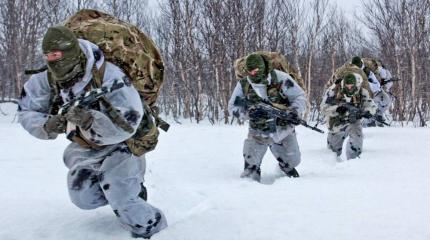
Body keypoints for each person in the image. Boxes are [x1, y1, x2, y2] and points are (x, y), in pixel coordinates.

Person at [18, 26, 167, 238]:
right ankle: (124, 192)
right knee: (83, 197)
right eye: (48, 56)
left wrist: (90, 120)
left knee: (124, 201)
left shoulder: (111, 76)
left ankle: (156, 228)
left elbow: (128, 124)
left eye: (57, 55)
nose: (52, 61)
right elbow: (26, 109)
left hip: (123, 145)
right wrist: (47, 125)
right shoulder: (48, 78)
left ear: (71, 52)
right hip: (85, 147)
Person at [228, 53, 307, 182]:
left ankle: (284, 165)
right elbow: (232, 107)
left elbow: (299, 97)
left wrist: (295, 112)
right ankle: (250, 184)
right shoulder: (244, 84)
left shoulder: (280, 78)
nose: (253, 74)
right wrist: (248, 113)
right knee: (249, 173)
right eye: (250, 71)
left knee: (294, 161)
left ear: (263, 68)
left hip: (283, 128)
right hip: (258, 131)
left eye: (256, 71)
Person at [320, 73, 377, 161]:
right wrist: (337, 109)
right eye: (347, 85)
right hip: (337, 121)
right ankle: (334, 162)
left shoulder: (362, 92)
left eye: (351, 86)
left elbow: (371, 105)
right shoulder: (333, 91)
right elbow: (323, 108)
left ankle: (353, 161)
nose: (349, 87)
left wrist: (368, 112)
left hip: (354, 120)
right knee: (333, 151)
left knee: (356, 137)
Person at [351, 56, 392, 126]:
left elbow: (377, 85)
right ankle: (367, 122)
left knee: (386, 100)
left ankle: (378, 115)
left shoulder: (367, 71)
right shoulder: (350, 73)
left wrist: (368, 84)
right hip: (359, 96)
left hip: (373, 92)